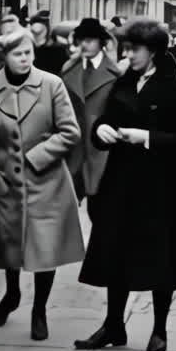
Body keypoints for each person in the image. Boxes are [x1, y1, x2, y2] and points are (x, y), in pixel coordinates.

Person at [75, 18, 176, 351]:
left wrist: (147, 138)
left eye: (135, 49)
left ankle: (159, 329)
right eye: (127, 48)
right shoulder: (126, 79)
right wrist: (99, 131)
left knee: (161, 255)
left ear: (154, 50)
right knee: (116, 251)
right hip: (121, 178)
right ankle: (113, 325)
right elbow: (107, 118)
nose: (128, 54)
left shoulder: (171, 85)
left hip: (159, 183)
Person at [0, 28, 85, 342]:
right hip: (5, 181)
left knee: (44, 247)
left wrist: (35, 157)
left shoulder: (52, 85)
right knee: (10, 245)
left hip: (46, 180)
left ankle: (39, 309)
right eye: (17, 54)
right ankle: (11, 294)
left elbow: (70, 132)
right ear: (4, 58)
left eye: (28, 53)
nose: (25, 59)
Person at [60, 18, 122, 216]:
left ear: (101, 42)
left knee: (100, 212)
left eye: (90, 40)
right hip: (73, 152)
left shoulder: (115, 74)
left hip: (102, 153)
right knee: (66, 213)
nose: (84, 44)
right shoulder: (68, 70)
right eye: (81, 40)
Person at [26, 11, 68, 75]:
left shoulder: (59, 49)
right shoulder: (26, 49)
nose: (37, 38)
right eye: (33, 33)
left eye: (39, 33)